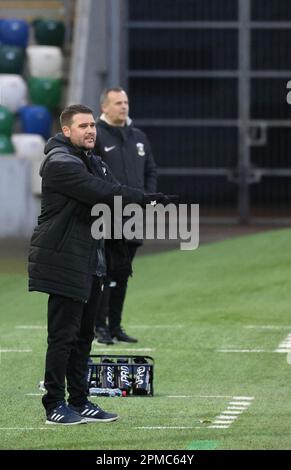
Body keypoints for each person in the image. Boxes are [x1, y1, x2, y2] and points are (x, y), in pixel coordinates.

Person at [28, 104, 167, 425]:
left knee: (84, 335)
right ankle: (53, 404)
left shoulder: (92, 160)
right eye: (82, 126)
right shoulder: (60, 163)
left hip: (92, 260)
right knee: (62, 336)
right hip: (64, 260)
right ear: (66, 131)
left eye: (92, 125)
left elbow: (112, 198)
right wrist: (147, 198)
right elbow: (104, 193)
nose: (90, 131)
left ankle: (79, 400)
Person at [94, 87, 157, 345]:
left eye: (126, 102)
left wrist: (148, 197)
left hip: (134, 216)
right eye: (118, 103)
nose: (124, 106)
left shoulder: (139, 137)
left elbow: (151, 170)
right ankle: (100, 327)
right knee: (104, 272)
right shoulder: (96, 135)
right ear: (104, 107)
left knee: (122, 273)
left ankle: (116, 326)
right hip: (106, 215)